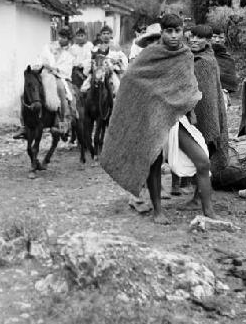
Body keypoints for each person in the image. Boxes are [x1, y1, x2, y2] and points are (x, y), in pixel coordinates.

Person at [100, 14, 216, 224]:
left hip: (176, 119)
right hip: (152, 118)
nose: (173, 35)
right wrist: (153, 101)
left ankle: (209, 213)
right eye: (168, 31)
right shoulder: (149, 55)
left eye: (177, 31)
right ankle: (157, 211)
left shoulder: (186, 56)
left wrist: (187, 106)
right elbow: (130, 80)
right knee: (152, 164)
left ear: (183, 32)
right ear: (161, 32)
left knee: (203, 161)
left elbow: (188, 87)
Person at [179, 24, 228, 208]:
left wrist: (204, 117)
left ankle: (199, 198)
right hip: (192, 113)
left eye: (200, 38)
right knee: (200, 156)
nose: (194, 40)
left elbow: (207, 96)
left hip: (205, 115)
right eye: (192, 36)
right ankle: (196, 196)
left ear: (208, 42)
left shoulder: (205, 62)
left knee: (204, 154)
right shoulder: (192, 58)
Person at [13, 27, 75, 140]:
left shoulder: (69, 53)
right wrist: (41, 66)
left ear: (69, 39)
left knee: (60, 90)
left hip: (57, 76)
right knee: (24, 93)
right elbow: (40, 59)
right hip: (43, 74)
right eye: (60, 36)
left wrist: (55, 69)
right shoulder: (48, 47)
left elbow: (66, 69)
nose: (61, 39)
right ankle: (23, 125)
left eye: (64, 37)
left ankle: (61, 122)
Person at [81, 25, 128, 95]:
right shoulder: (96, 47)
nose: (106, 36)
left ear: (111, 35)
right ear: (100, 35)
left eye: (108, 34)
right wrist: (91, 63)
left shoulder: (115, 47)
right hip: (98, 71)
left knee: (117, 86)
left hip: (110, 71)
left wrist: (117, 61)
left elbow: (122, 58)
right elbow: (90, 58)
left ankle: (114, 102)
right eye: (104, 33)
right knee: (85, 87)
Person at [211, 25, 238, 110]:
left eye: (220, 37)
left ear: (225, 39)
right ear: (208, 38)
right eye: (214, 37)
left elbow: (231, 80)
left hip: (223, 96)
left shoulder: (228, 59)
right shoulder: (202, 56)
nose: (217, 40)